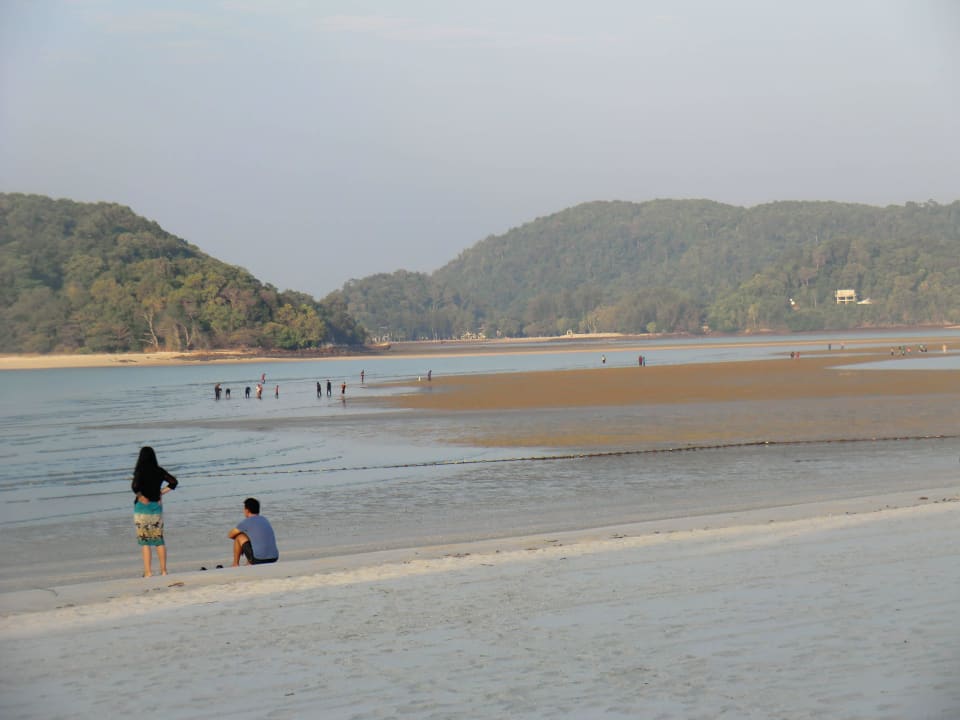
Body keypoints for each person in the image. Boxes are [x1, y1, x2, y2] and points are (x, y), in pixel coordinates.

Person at [131, 446, 178, 577]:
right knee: (158, 539)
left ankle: (148, 572)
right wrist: (161, 492)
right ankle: (164, 571)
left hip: (142, 507)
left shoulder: (140, 470)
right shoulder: (158, 470)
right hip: (156, 506)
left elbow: (134, 486)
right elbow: (174, 482)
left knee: (145, 541)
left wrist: (141, 496)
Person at [228, 497, 278, 566]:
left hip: (259, 559)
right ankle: (249, 563)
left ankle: (235, 564)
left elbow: (230, 535)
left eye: (244, 509)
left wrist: (241, 545)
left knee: (239, 537)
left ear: (247, 510)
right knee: (254, 538)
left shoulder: (246, 522)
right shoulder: (264, 519)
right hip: (274, 557)